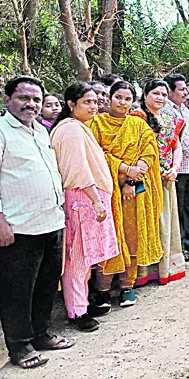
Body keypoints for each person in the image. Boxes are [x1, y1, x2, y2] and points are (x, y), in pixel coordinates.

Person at [0, 76, 72, 369]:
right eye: (23, 98)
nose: (31, 104)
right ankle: (19, 347)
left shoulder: (41, 131)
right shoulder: (2, 131)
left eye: (36, 100)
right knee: (17, 290)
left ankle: (40, 334)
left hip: (51, 221)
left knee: (45, 285)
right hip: (19, 228)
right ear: (7, 100)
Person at [50, 82, 119, 331]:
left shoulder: (79, 128)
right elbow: (77, 170)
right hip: (83, 200)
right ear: (71, 104)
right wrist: (96, 200)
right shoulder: (70, 130)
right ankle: (77, 312)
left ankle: (83, 302)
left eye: (95, 101)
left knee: (86, 258)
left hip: (89, 199)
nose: (94, 105)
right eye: (87, 102)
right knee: (77, 260)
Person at [88, 81, 163, 308]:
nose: (123, 102)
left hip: (134, 194)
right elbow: (96, 154)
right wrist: (123, 168)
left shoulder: (138, 125)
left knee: (132, 236)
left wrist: (133, 176)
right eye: (118, 97)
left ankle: (127, 286)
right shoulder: (96, 124)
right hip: (105, 193)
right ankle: (102, 290)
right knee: (108, 239)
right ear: (109, 98)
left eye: (128, 99)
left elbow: (149, 151)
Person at [129, 80, 186, 285]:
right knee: (147, 221)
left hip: (166, 178)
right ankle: (143, 271)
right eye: (155, 93)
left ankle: (165, 268)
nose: (160, 98)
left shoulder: (170, 119)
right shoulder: (136, 118)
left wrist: (175, 167)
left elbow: (176, 147)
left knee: (165, 222)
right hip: (144, 179)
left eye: (163, 94)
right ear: (145, 96)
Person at [162, 73, 189, 262]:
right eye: (181, 89)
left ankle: (187, 240)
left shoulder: (185, 110)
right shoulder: (167, 111)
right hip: (177, 168)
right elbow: (180, 140)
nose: (185, 92)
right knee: (178, 208)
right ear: (170, 92)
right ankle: (179, 246)